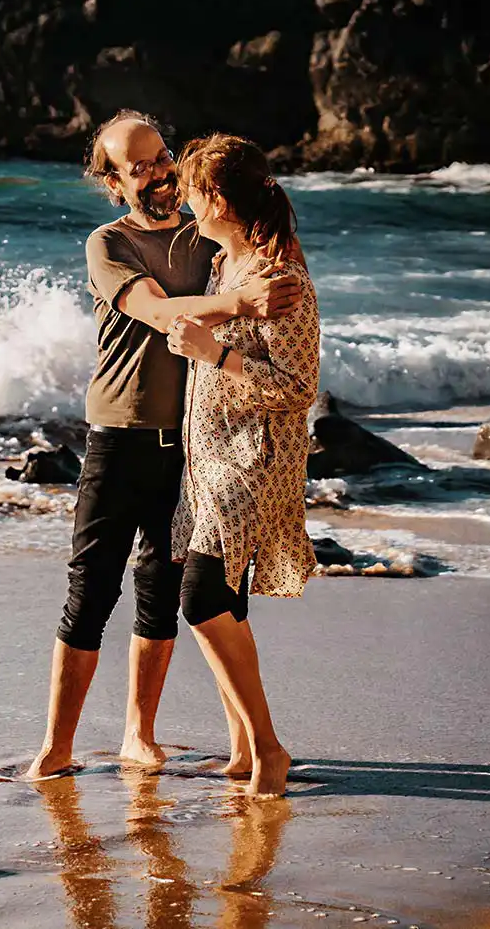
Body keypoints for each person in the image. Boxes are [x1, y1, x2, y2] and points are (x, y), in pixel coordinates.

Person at [26, 112, 303, 779]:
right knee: (90, 591)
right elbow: (156, 312)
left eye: (162, 157)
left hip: (194, 447)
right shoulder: (107, 243)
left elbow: (258, 251)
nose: (158, 173)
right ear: (114, 181)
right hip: (118, 439)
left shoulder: (205, 235)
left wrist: (276, 280)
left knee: (163, 589)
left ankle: (138, 735)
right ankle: (56, 748)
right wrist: (243, 305)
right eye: (139, 166)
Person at [165, 133, 321, 797]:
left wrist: (212, 352)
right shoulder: (225, 266)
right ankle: (241, 748)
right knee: (224, 598)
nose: (184, 204)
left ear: (220, 200)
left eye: (192, 193)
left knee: (201, 600)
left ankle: (270, 747)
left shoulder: (277, 278)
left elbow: (297, 385)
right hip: (211, 458)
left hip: (255, 460)